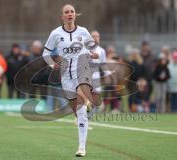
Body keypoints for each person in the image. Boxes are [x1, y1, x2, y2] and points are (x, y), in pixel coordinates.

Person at [42, 4, 100, 157]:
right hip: (66, 76)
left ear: (75, 15)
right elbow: (45, 53)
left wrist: (92, 53)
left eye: (72, 12)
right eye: (66, 12)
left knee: (81, 109)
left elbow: (91, 47)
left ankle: (82, 148)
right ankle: (85, 107)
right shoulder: (55, 33)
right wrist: (51, 63)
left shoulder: (83, 31)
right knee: (77, 111)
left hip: (82, 70)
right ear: (62, 16)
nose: (69, 14)